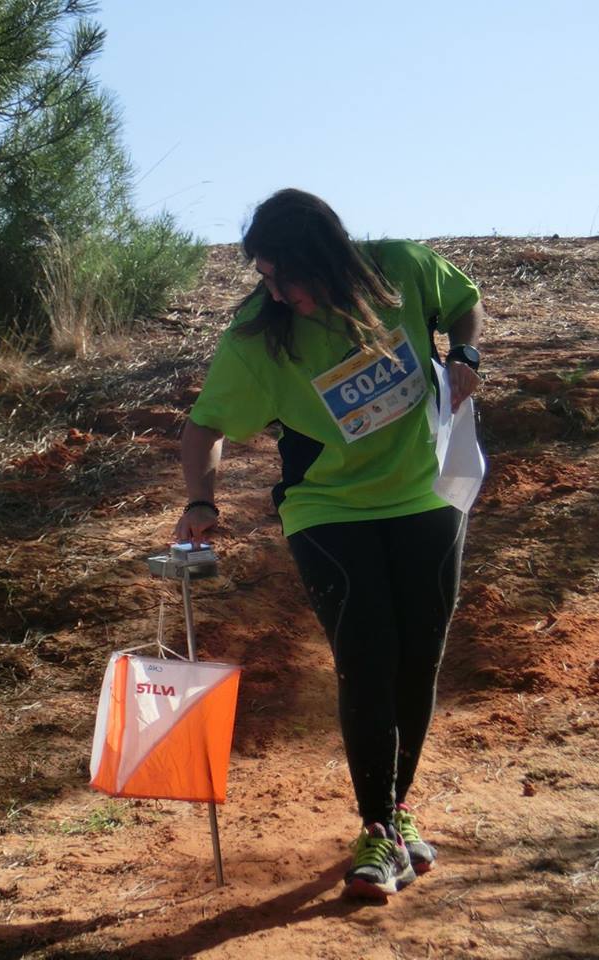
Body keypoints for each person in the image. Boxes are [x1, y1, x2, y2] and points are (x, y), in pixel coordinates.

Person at [174, 188, 484, 900]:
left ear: (330, 260)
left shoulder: (401, 269)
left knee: (417, 658)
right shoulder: (258, 335)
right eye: (264, 276)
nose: (275, 291)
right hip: (328, 510)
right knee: (367, 655)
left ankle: (398, 812)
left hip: (428, 496)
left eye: (285, 275)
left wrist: (464, 348)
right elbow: (204, 428)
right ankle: (376, 829)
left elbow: (462, 300)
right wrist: (200, 499)